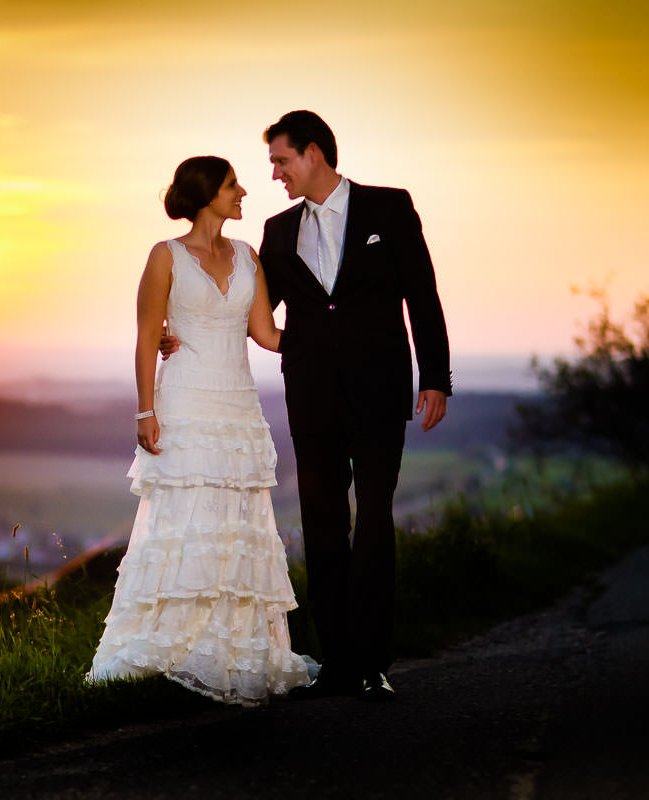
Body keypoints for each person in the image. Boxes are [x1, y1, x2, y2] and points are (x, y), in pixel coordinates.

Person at [162, 111, 452, 701]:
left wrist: (435, 377)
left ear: (313, 152)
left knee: (375, 519)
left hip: (379, 390)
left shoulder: (389, 208)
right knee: (321, 524)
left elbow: (423, 294)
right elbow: (250, 310)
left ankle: (372, 661)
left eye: (281, 160)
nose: (275, 174)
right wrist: (181, 332)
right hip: (311, 395)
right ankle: (338, 661)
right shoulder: (276, 231)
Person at [86, 156, 314, 706]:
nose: (243, 192)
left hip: (237, 406)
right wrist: (145, 412)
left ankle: (228, 651)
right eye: (233, 185)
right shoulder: (164, 255)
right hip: (185, 402)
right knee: (184, 524)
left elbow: (267, 334)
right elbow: (147, 337)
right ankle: (172, 649)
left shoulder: (248, 255)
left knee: (233, 528)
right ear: (207, 192)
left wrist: (328, 330)